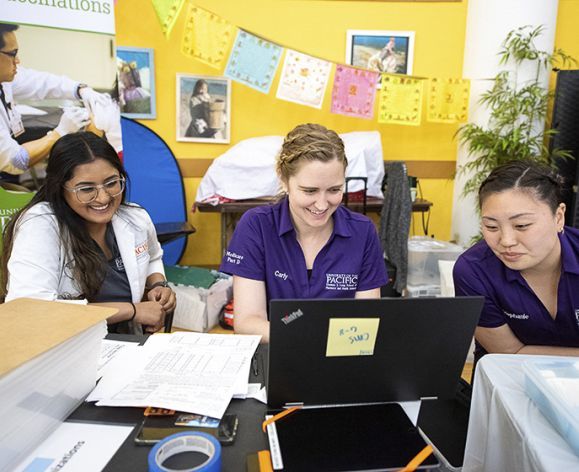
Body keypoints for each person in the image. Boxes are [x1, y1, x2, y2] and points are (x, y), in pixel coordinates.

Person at [219, 123, 388, 342]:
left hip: (342, 358)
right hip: (277, 352)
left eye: (335, 190)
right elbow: (248, 322)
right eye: (310, 191)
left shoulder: (363, 232)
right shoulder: (256, 226)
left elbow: (366, 321)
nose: (321, 204)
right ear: (284, 180)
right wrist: (312, 338)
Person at [0, 132, 176, 334]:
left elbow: (153, 256)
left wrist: (158, 284)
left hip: (126, 345)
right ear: (60, 187)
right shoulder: (40, 224)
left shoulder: (134, 217)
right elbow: (32, 310)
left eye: (111, 183)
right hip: (66, 349)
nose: (102, 198)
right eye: (86, 189)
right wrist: (132, 310)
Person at [453, 160, 579, 364]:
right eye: (492, 227)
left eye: (522, 225)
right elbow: (509, 354)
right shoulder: (473, 270)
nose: (506, 241)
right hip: (508, 382)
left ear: (558, 217)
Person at [0, 23, 108, 175]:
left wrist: (80, 89)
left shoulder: (6, 79)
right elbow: (16, 161)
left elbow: (42, 82)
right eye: (12, 53)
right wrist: (59, 132)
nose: (17, 60)